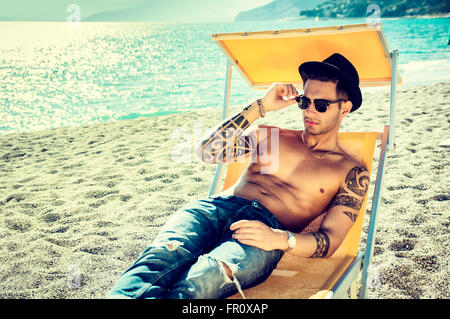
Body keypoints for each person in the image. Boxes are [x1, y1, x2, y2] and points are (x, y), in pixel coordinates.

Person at [107, 53, 370, 299]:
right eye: (304, 101)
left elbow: (330, 242)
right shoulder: (272, 136)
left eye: (321, 105)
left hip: (265, 232)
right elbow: (208, 152)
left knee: (204, 278)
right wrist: (261, 106)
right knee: (158, 261)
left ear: (344, 108)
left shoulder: (350, 172)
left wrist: (281, 239)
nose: (309, 111)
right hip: (214, 210)